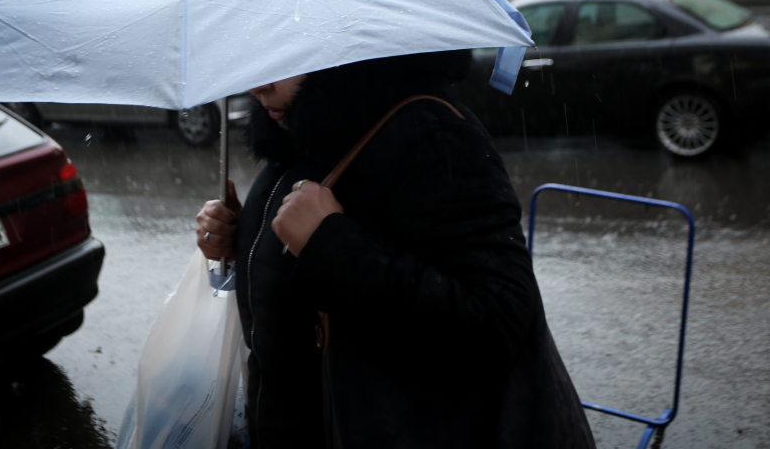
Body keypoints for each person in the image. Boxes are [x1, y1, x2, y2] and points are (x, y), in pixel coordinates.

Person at [196, 51, 595, 449]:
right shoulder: (299, 139)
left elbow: (498, 318)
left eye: (286, 57)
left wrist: (329, 243)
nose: (259, 84)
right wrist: (247, 235)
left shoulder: (431, 135)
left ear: (342, 49)